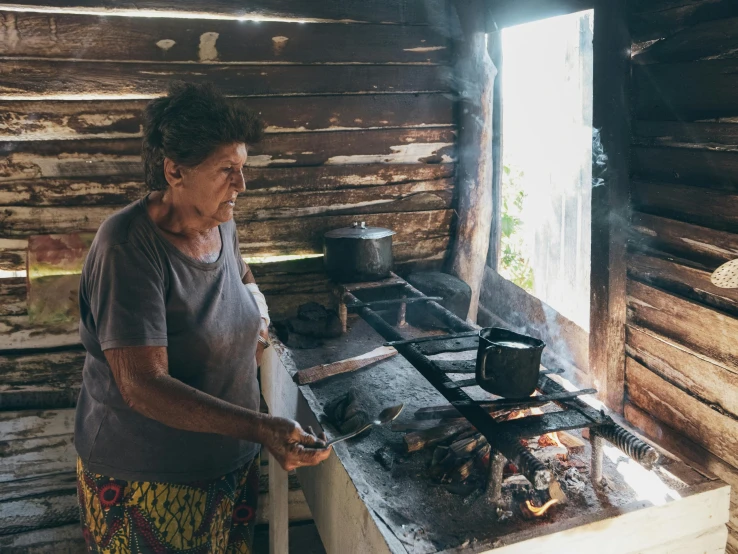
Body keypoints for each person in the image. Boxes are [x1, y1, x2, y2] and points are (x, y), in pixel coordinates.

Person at [74, 82, 331, 553]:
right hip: (149, 483)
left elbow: (237, 265)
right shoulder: (128, 248)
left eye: (243, 169)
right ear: (175, 171)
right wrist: (260, 426)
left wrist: (254, 298)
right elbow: (143, 385)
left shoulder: (219, 219)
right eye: (226, 170)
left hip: (229, 464)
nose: (242, 184)